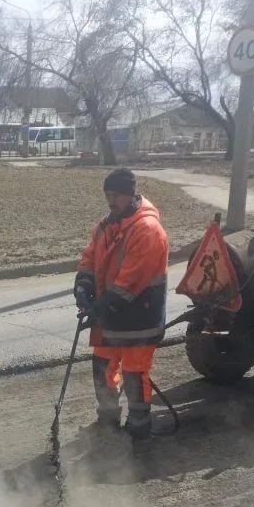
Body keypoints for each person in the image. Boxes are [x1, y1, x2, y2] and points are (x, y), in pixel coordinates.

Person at [73, 168, 169, 441]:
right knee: (102, 364)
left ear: (130, 195)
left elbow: (131, 280)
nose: (110, 200)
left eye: (116, 195)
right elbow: (90, 257)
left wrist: (100, 306)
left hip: (140, 314)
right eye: (107, 194)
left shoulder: (147, 230)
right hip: (111, 311)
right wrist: (84, 283)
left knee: (134, 372)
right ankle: (108, 417)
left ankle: (139, 426)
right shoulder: (107, 224)